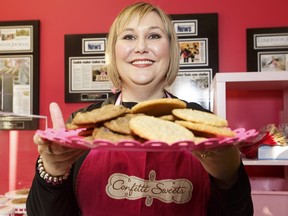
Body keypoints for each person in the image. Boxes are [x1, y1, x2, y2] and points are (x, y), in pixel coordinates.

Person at [26, 2, 253, 216]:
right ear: (113, 52)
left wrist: (228, 178)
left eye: (154, 36)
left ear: (171, 49)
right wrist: (52, 171)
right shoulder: (84, 124)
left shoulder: (202, 124)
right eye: (129, 37)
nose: (141, 47)